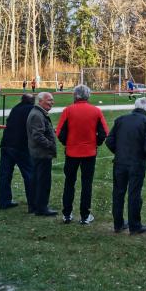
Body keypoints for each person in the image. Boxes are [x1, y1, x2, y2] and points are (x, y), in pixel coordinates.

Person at [56, 84, 109, 225]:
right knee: (87, 185)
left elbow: (59, 132)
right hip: (89, 153)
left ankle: (67, 214)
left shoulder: (68, 110)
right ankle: (85, 215)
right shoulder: (96, 111)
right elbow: (104, 132)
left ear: (75, 95)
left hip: (72, 152)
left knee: (69, 183)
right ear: (88, 95)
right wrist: (95, 143)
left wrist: (67, 143)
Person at [105, 97, 146, 234]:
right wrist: (145, 155)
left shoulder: (121, 119)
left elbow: (109, 140)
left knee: (118, 193)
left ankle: (118, 224)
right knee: (134, 194)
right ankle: (135, 225)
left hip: (120, 162)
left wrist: (119, 152)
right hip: (136, 162)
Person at [0, 94, 35, 211]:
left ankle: (4, 201)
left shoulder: (15, 108)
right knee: (29, 175)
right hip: (20, 147)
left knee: (5, 175)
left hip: (6, 144)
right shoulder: (31, 110)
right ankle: (33, 204)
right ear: (32, 101)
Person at [26, 92, 58, 216]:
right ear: (40, 101)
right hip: (41, 154)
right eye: (49, 100)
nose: (52, 102)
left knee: (36, 180)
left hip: (38, 153)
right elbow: (37, 135)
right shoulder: (37, 115)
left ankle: (34, 206)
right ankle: (41, 208)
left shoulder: (39, 113)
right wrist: (50, 144)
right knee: (43, 182)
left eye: (52, 100)